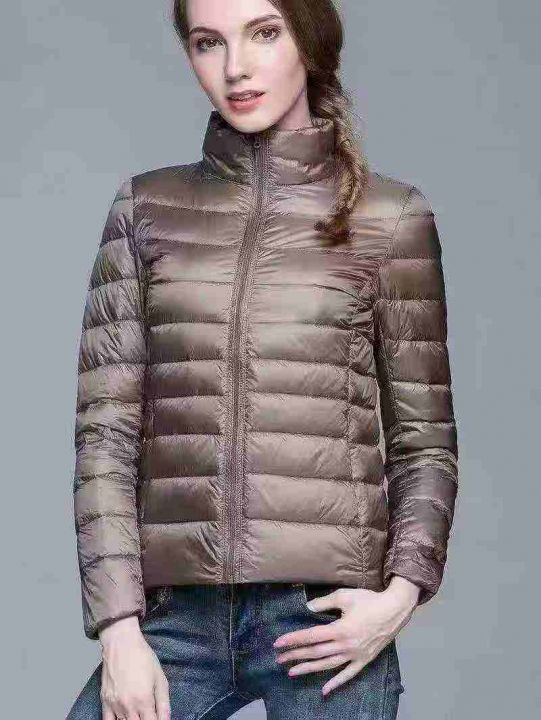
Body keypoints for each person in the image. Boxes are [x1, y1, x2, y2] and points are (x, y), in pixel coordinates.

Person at [66, 0, 459, 718]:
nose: (236, 68)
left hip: (326, 621)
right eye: (207, 42)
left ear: (308, 38)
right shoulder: (145, 209)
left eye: (264, 33)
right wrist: (118, 629)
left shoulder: (390, 218)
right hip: (173, 617)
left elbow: (424, 441)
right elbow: (106, 438)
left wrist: (401, 595)